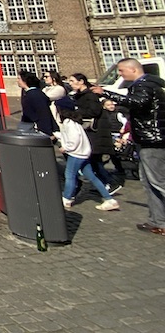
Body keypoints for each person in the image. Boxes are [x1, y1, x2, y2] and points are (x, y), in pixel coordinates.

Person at [93, 58, 165, 234]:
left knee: (159, 181)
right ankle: (158, 221)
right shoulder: (145, 85)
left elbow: (137, 102)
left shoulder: (145, 85)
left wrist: (106, 93)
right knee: (148, 183)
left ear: (133, 70)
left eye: (121, 71)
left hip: (152, 139)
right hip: (144, 138)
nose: (120, 74)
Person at [54, 108, 120, 211]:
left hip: (77, 154)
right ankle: (109, 199)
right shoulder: (75, 123)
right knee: (92, 177)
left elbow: (73, 139)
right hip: (84, 153)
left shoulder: (68, 123)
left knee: (70, 176)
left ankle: (66, 198)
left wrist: (66, 148)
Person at [17, 69, 57, 136]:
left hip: (37, 129)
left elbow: (43, 113)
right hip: (29, 126)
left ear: (25, 80)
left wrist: (47, 132)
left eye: (19, 79)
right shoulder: (29, 93)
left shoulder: (35, 95)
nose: (17, 81)